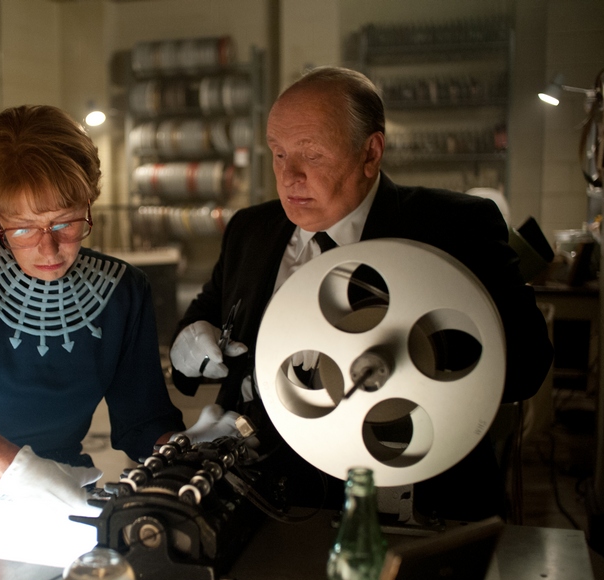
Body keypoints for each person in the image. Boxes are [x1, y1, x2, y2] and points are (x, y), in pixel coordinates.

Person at [170, 67, 554, 521]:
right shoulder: (251, 231)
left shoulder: (454, 228)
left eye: (311, 156)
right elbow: (205, 321)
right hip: (265, 496)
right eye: (277, 154)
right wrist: (187, 349)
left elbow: (527, 364)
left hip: (400, 491)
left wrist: (412, 361)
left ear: (370, 152)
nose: (290, 176)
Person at [0, 105, 231, 512]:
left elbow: (142, 423)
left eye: (65, 223)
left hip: (62, 482)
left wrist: (181, 449)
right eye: (22, 228)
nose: (49, 248)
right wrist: (13, 470)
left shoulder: (121, 291)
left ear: (89, 203)